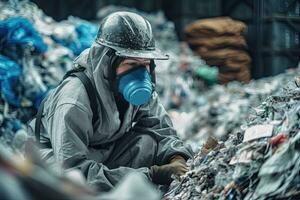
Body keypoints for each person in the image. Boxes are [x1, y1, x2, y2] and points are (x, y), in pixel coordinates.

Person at [28, 11, 193, 192]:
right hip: (58, 165)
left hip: (101, 152)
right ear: (107, 62)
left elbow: (160, 129)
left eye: (145, 63)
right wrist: (151, 174)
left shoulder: (140, 91)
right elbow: (73, 168)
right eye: (131, 64)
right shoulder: (74, 99)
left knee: (147, 142)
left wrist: (176, 157)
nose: (139, 73)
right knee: (73, 185)